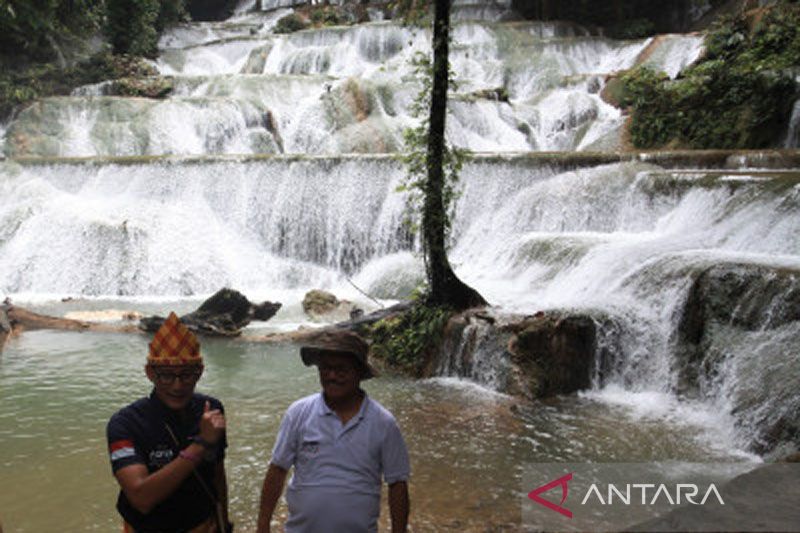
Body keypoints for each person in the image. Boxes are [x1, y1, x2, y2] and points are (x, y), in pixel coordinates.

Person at [256, 330, 410, 533]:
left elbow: (397, 484)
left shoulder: (383, 423)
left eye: (341, 369)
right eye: (326, 368)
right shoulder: (299, 413)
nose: (332, 376)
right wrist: (263, 525)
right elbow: (277, 470)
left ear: (359, 373)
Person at [106, 312, 232, 533]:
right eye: (166, 375)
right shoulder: (125, 424)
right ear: (150, 374)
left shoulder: (211, 410)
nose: (177, 386)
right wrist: (200, 444)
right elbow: (141, 497)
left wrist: (224, 522)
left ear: (199, 372)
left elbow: (217, 472)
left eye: (186, 375)